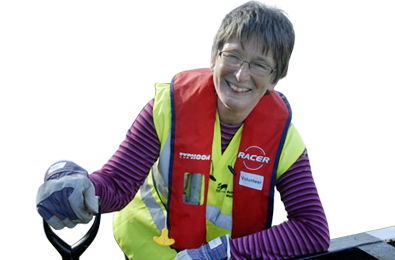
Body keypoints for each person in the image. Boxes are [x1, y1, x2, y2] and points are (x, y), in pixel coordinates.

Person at [37, 1, 330, 259]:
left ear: (274, 79)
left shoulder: (283, 138)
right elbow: (117, 184)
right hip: (152, 243)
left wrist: (224, 254)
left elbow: (312, 230)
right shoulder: (169, 106)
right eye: (233, 56)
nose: (241, 74)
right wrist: (86, 189)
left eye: (259, 64)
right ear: (215, 58)